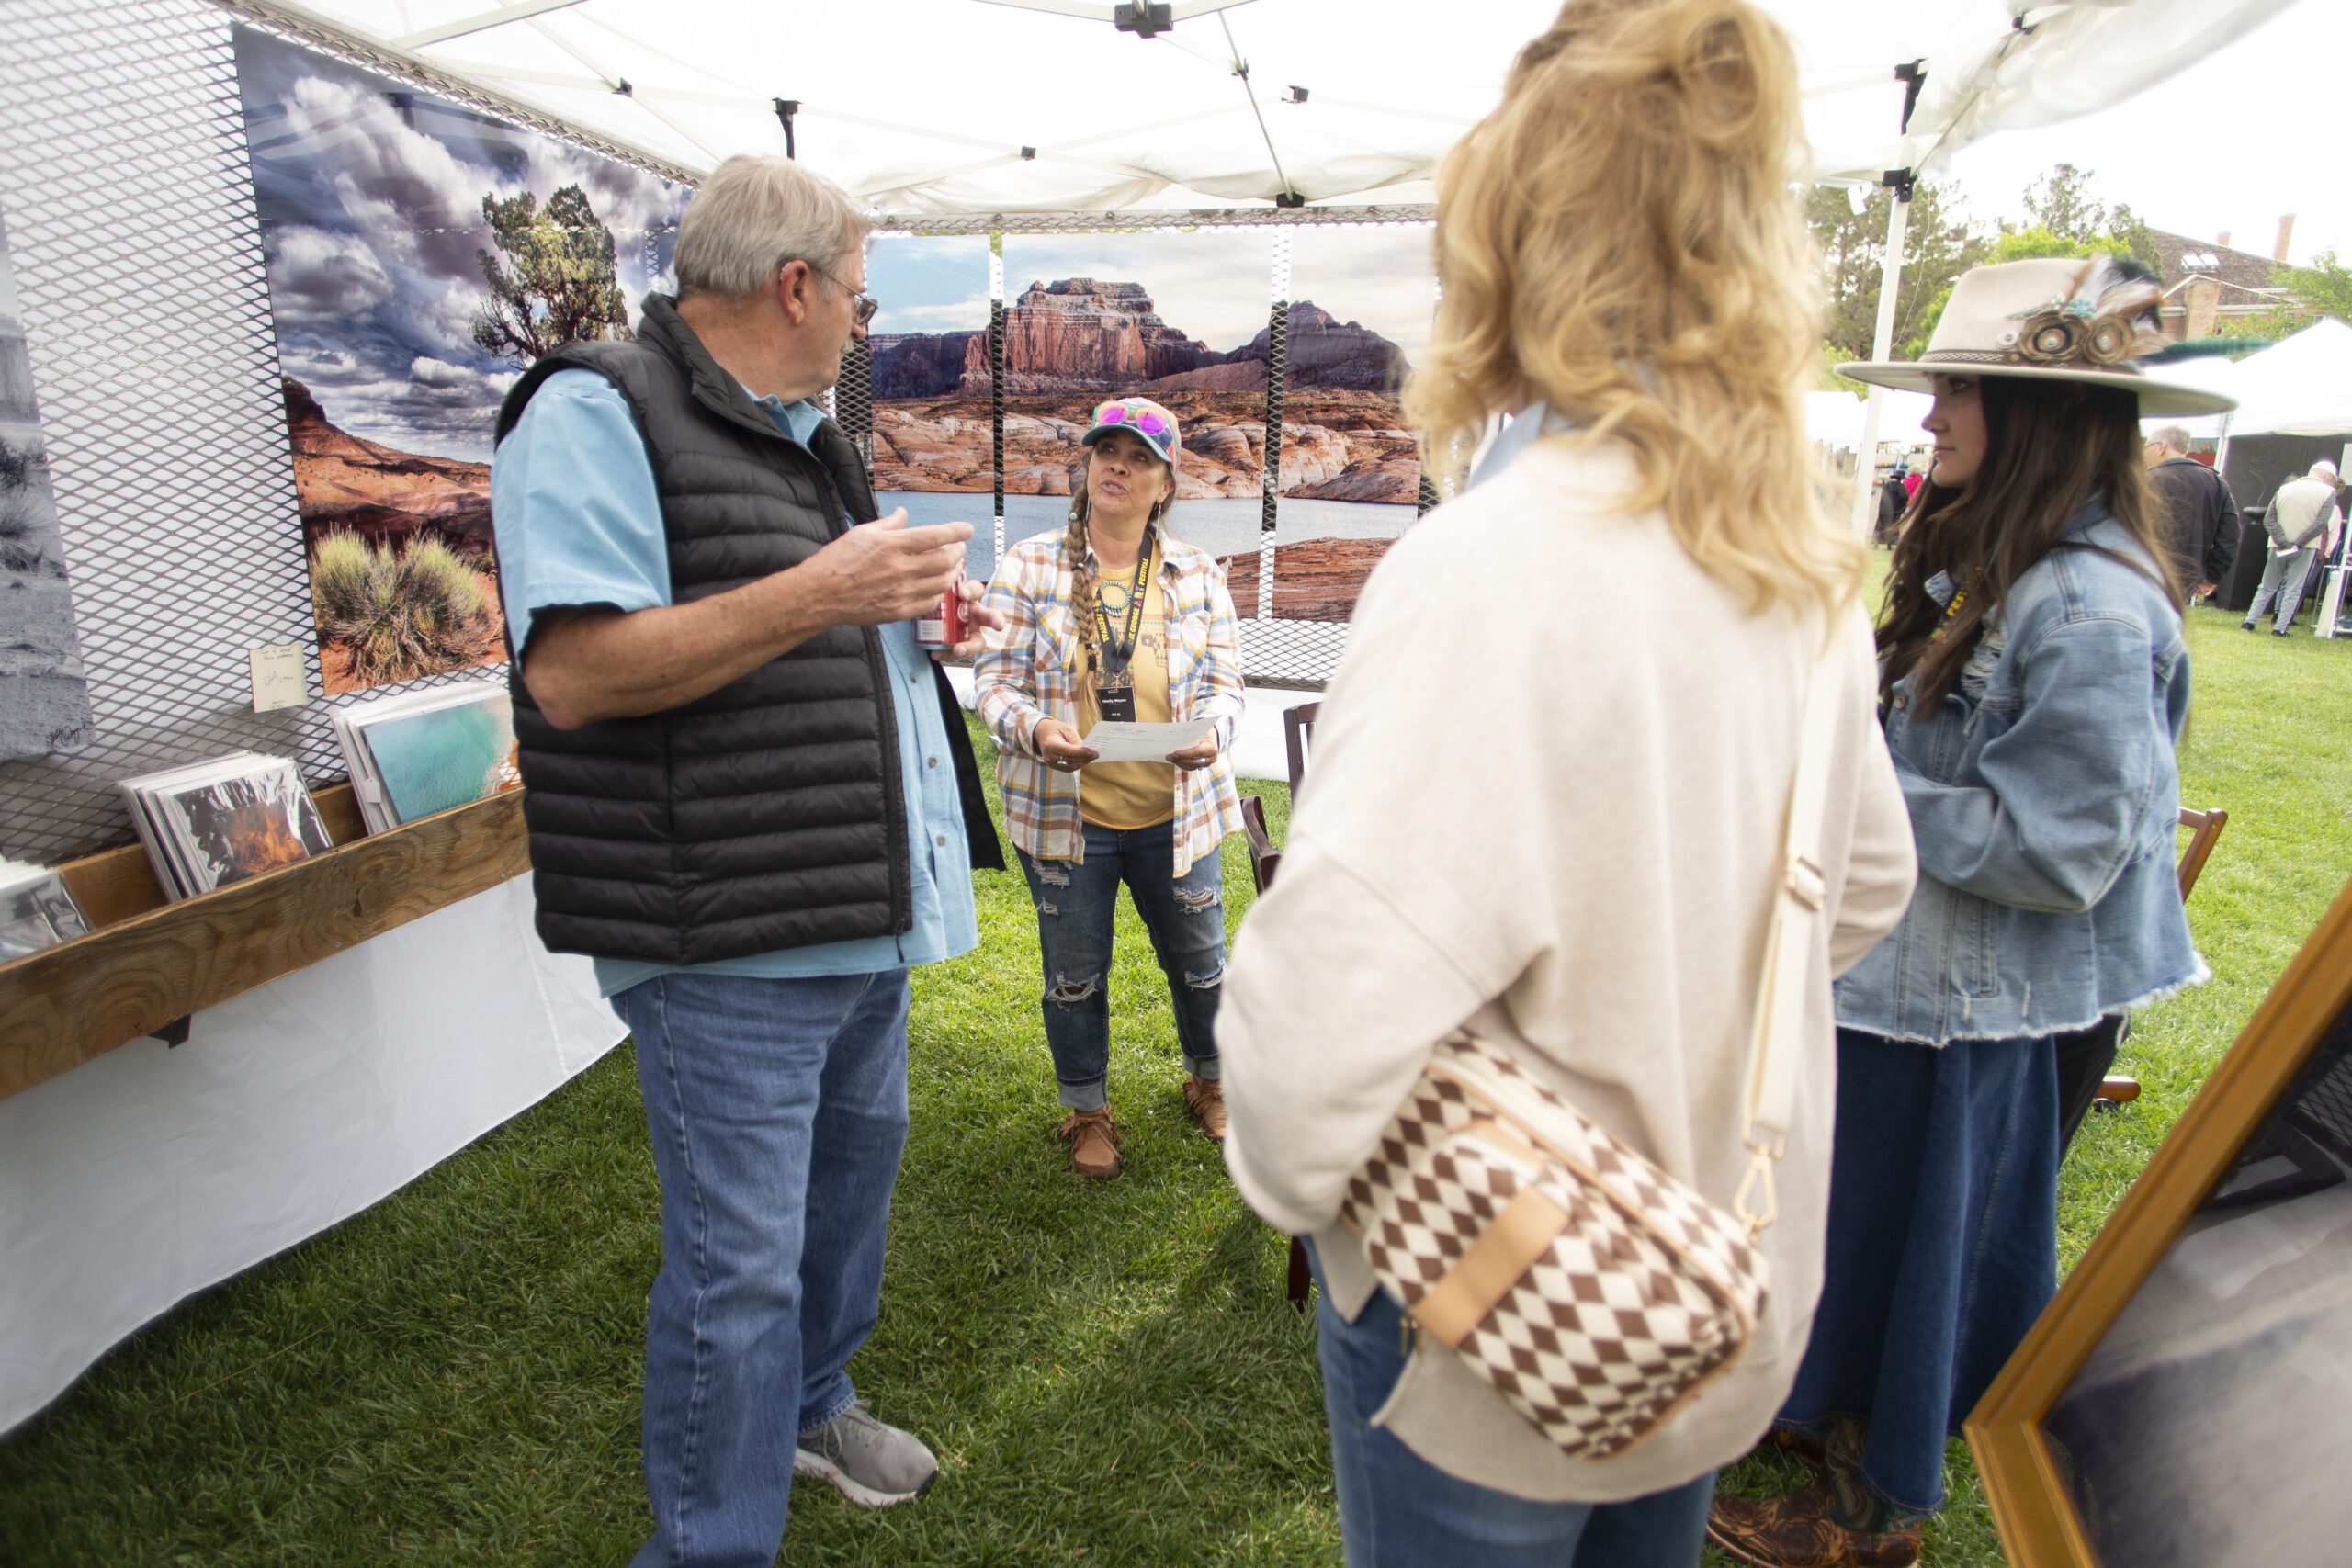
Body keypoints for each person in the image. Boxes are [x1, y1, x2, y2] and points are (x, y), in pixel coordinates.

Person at [1215, 3, 1919, 1562]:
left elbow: (1313, 1028)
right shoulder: (1796, 571)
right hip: (1709, 1284)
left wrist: (1315, 1183)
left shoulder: (1497, 565)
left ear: (1514, 237)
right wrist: (1663, 1017)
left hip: (1498, 1307)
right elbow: (1865, 888)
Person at [488, 153, 1006, 1568]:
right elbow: (582, 672)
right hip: (725, 942)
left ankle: (813, 1408)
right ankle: (712, 1541)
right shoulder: (595, 408)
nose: (863, 319)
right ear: (796, 284)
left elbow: (789, 633)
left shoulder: (791, 426)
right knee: (741, 1274)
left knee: (847, 1200)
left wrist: (909, 628)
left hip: (846, 913)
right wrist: (833, 586)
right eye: (860, 292)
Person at [1708, 255, 2235, 1568]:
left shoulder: (2092, 607)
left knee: (1920, 1259)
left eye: (1959, 391)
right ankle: (1821, 1419)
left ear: (2042, 416)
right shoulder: (2005, 559)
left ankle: (1872, 1509)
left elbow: (2058, 852)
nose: (1933, 416)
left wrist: (1850, 785)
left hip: (1975, 1014)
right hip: (1910, 984)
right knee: (1857, 1223)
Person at [975, 396, 1247, 1180]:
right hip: (1069, 817)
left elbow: (1229, 686)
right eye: (1106, 451)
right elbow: (993, 683)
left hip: (1178, 812)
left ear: (1166, 483)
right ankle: (1087, 1109)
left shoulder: (1197, 573)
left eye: (1139, 457)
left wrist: (1214, 733)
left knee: (1202, 964)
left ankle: (1211, 1080)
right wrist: (1036, 732)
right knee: (1073, 973)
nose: (1118, 465)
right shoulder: (1029, 565)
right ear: (1088, 465)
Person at [2243, 459, 2341, 635]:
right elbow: (2320, 523)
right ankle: (2280, 629)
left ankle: (2249, 622)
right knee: (2293, 588)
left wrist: (2282, 540)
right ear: (2327, 477)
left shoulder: (2285, 488)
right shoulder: (2328, 492)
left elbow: (2269, 519)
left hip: (2277, 545)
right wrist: (2299, 542)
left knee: (2266, 585)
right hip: (2306, 547)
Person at [2143, 423, 2237, 604]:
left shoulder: (2145, 481)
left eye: (2147, 447)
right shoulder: (2216, 483)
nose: (2145, 453)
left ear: (2160, 446)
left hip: (2143, 570)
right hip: (2185, 577)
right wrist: (2212, 576)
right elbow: (2229, 537)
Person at [1875, 468, 1909, 545]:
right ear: (1900, 478)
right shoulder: (1900, 486)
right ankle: (1891, 542)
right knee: (1893, 526)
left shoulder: (1886, 485)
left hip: (1883, 509)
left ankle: (1876, 541)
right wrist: (1903, 506)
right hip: (1895, 510)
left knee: (1881, 526)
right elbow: (1903, 497)